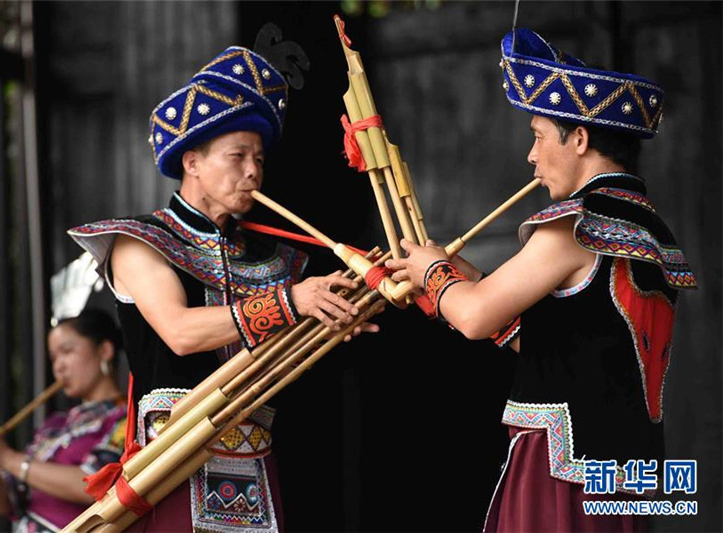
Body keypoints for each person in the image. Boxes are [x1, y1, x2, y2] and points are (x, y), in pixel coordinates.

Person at [387, 28, 696, 532]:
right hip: (626, 481)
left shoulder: (575, 225)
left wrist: (432, 272)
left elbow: (472, 316)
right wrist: (469, 279)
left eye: (537, 135)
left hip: (565, 471)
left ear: (578, 138)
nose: (531, 157)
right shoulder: (646, 226)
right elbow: (572, 343)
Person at [69, 45, 376, 532]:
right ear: (192, 162)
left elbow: (282, 358)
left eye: (258, 158)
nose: (253, 171)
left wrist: (333, 319)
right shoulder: (140, 241)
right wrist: (294, 301)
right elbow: (181, 332)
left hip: (256, 461)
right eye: (237, 156)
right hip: (171, 466)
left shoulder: (274, 258)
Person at [0, 309, 127, 532]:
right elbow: (2, 503)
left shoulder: (124, 418)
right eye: (54, 358)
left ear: (104, 350)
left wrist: (5, 457)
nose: (58, 366)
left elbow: (96, 485)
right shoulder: (55, 425)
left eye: (67, 351)